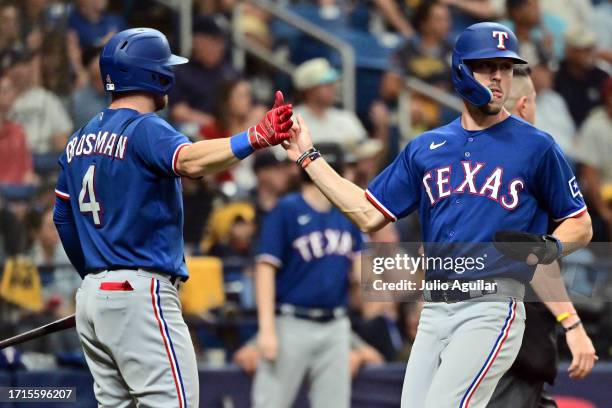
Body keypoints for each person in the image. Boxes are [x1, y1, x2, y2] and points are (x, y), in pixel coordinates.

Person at [284, 22, 593, 408]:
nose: (498, 76)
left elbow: (580, 222)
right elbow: (367, 212)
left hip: (491, 305)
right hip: (435, 306)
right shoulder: (427, 147)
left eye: (506, 67)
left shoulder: (537, 146)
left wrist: (551, 246)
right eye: (487, 65)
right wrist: (307, 157)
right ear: (462, 69)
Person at [53, 27, 293, 407]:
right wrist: (256, 136)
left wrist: (97, 279)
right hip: (140, 291)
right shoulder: (145, 127)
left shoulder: (78, 138)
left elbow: (63, 219)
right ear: (153, 75)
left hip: (94, 296)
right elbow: (189, 159)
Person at [487, 65, 597, 408]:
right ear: (523, 105)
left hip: (473, 332)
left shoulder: (462, 157)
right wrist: (573, 323)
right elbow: (533, 255)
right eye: (534, 101)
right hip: (511, 339)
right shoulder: (532, 161)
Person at [252, 143, 363, 408]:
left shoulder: (347, 215)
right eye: (345, 168)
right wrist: (266, 330)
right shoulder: (287, 209)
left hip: (336, 323)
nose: (350, 174)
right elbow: (265, 269)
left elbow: (361, 274)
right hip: (291, 322)